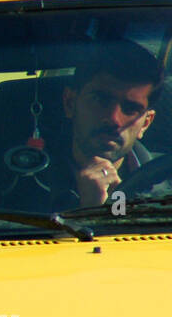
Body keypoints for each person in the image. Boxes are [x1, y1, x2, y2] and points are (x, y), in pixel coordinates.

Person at [47, 41, 162, 208]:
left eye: (130, 109)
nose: (113, 119)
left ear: (145, 123)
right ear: (70, 103)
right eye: (100, 100)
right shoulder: (15, 186)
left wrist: (98, 214)